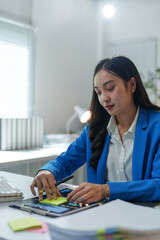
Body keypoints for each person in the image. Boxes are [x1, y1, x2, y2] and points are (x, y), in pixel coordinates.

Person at [30, 56, 160, 204]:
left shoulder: (157, 126)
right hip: (100, 216)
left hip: (145, 218)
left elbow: (158, 185)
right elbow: (65, 161)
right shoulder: (95, 128)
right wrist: (47, 171)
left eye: (110, 88)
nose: (104, 98)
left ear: (131, 85)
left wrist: (106, 190)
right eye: (98, 92)